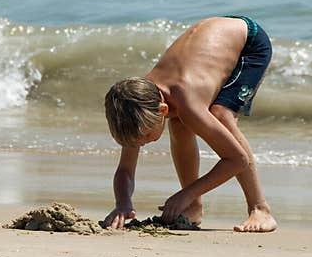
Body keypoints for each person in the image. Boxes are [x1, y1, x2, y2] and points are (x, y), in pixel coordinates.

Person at [103, 15, 277, 233]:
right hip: (209, 45)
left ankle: (260, 208)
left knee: (221, 115)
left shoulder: (187, 101)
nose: (140, 144)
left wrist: (187, 193)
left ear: (162, 110)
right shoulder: (136, 104)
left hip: (248, 43)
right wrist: (122, 203)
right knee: (179, 125)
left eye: (145, 137)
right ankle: (194, 209)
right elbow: (125, 170)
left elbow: (237, 159)